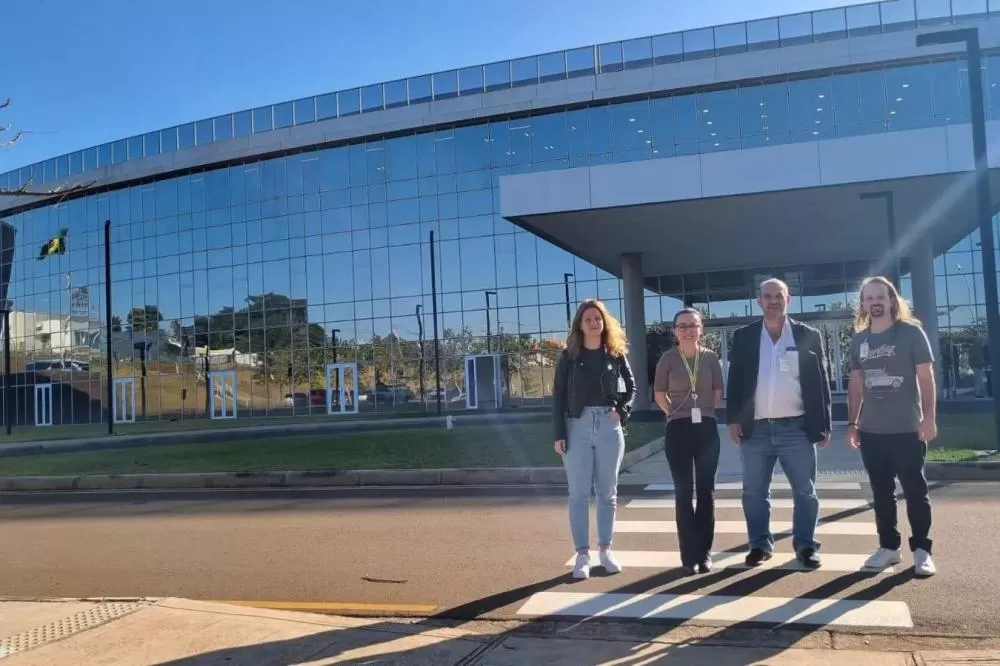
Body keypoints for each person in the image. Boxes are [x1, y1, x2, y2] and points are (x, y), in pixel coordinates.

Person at [726, 278, 832, 569]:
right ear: (759, 301)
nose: (773, 301)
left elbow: (821, 382)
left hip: (796, 428)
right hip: (755, 430)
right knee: (754, 493)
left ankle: (806, 546)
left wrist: (824, 423)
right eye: (767, 296)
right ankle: (759, 545)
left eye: (779, 296)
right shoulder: (745, 336)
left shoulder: (807, 335)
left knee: (805, 491)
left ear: (789, 300)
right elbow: (734, 381)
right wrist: (733, 419)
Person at [846, 276, 937, 577]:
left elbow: (926, 378)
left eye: (880, 297)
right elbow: (856, 384)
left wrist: (929, 418)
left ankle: (922, 550)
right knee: (881, 492)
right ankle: (889, 548)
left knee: (915, 491)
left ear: (891, 300)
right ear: (863, 304)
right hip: (872, 432)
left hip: (907, 429)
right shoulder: (859, 340)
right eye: (868, 298)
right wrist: (852, 422)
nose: (874, 302)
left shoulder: (911, 333)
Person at [552, 298, 636, 579]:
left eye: (597, 319)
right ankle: (582, 555)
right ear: (580, 324)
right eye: (588, 319)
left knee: (607, 493)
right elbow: (559, 397)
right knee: (578, 493)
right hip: (577, 424)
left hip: (608, 426)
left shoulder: (614, 353)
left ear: (604, 322)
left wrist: (622, 411)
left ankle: (605, 550)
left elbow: (631, 387)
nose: (593, 323)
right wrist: (559, 434)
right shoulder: (569, 357)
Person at [653, 308, 724, 574]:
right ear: (675, 331)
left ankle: (704, 553)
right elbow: (659, 393)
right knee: (683, 492)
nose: (687, 330)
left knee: (706, 492)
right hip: (678, 429)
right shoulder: (667, 359)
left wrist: (705, 410)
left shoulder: (710, 358)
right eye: (682, 326)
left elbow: (717, 391)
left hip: (706, 429)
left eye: (692, 325)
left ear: (700, 328)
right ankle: (688, 556)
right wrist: (675, 413)